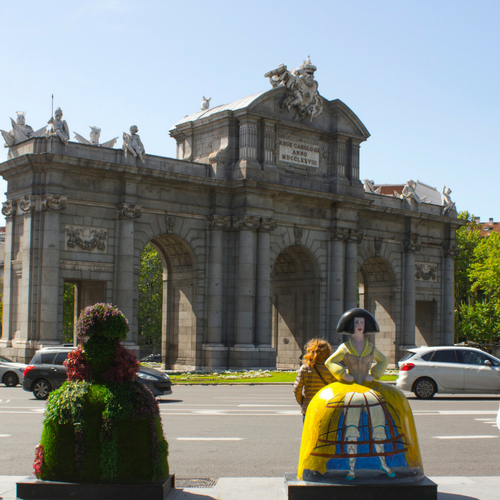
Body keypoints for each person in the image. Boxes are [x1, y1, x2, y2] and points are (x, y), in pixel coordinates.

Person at [298, 308, 423, 483]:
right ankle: (350, 468)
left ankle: (384, 463)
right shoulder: (345, 347)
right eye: (356, 323)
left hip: (368, 386)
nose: (359, 326)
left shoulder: (370, 347)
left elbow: (383, 361)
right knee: (351, 427)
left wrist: (374, 373)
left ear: (366, 327)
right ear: (351, 326)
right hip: (349, 388)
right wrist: (342, 374)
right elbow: (330, 362)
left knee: (380, 422)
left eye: (362, 323)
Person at [293, 339, 334, 418]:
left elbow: (297, 388)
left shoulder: (305, 368)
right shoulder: (331, 369)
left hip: (309, 408)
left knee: (308, 430)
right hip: (325, 407)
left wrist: (302, 402)